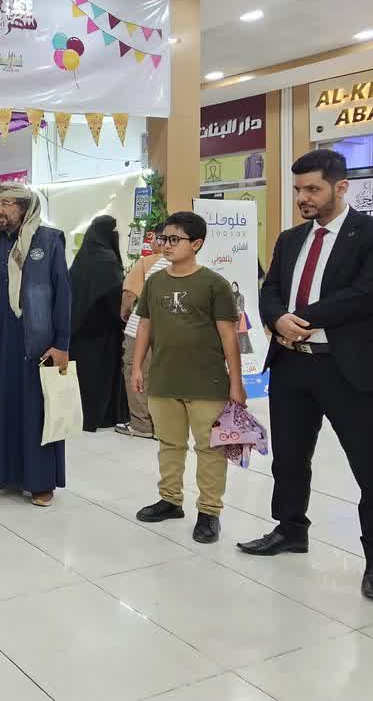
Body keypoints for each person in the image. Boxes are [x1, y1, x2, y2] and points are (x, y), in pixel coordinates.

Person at [236, 149, 373, 604]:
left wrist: (301, 318)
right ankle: (290, 528)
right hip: (292, 363)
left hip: (350, 366)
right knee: (290, 458)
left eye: (312, 189)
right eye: (298, 190)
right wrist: (277, 318)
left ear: (340, 187)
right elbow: (270, 289)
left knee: (371, 467)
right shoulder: (291, 238)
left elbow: (367, 294)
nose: (302, 198)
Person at [131, 211, 245, 544]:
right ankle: (170, 500)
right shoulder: (155, 281)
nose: (166, 245)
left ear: (196, 244)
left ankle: (209, 512)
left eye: (174, 239)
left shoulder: (214, 284)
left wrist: (236, 383)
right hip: (164, 378)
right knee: (169, 444)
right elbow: (145, 327)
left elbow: (229, 335)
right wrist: (137, 367)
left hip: (207, 382)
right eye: (163, 239)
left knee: (210, 449)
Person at [0, 182, 72, 507]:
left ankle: (40, 482)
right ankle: (0, 474)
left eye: (7, 204)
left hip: (40, 343)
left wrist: (62, 344)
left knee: (38, 410)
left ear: (25, 207)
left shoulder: (49, 240)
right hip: (2, 341)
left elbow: (63, 295)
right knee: (2, 408)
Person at [68, 215, 128, 431]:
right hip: (103, 332)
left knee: (83, 377)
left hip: (78, 332)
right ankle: (102, 417)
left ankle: (81, 417)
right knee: (101, 377)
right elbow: (115, 301)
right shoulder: (108, 262)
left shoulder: (81, 259)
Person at [118, 236, 169, 439]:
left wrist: (125, 313)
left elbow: (130, 294)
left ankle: (142, 424)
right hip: (168, 333)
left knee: (136, 372)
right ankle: (162, 425)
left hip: (139, 328)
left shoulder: (147, 262)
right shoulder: (188, 267)